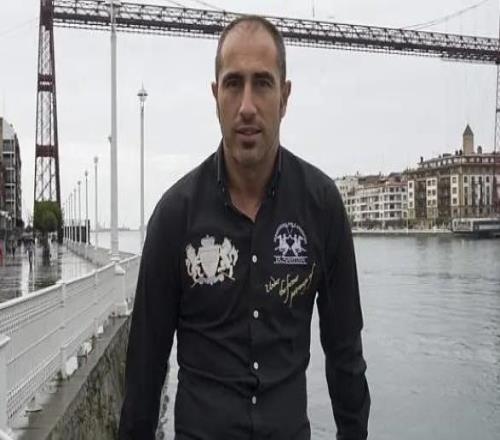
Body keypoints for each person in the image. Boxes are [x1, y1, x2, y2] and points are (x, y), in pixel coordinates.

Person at [119, 15, 370, 440]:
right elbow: (145, 369)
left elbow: (345, 354)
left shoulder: (322, 207)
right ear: (215, 96)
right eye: (233, 84)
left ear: (285, 97)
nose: (247, 106)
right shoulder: (175, 216)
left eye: (263, 83)